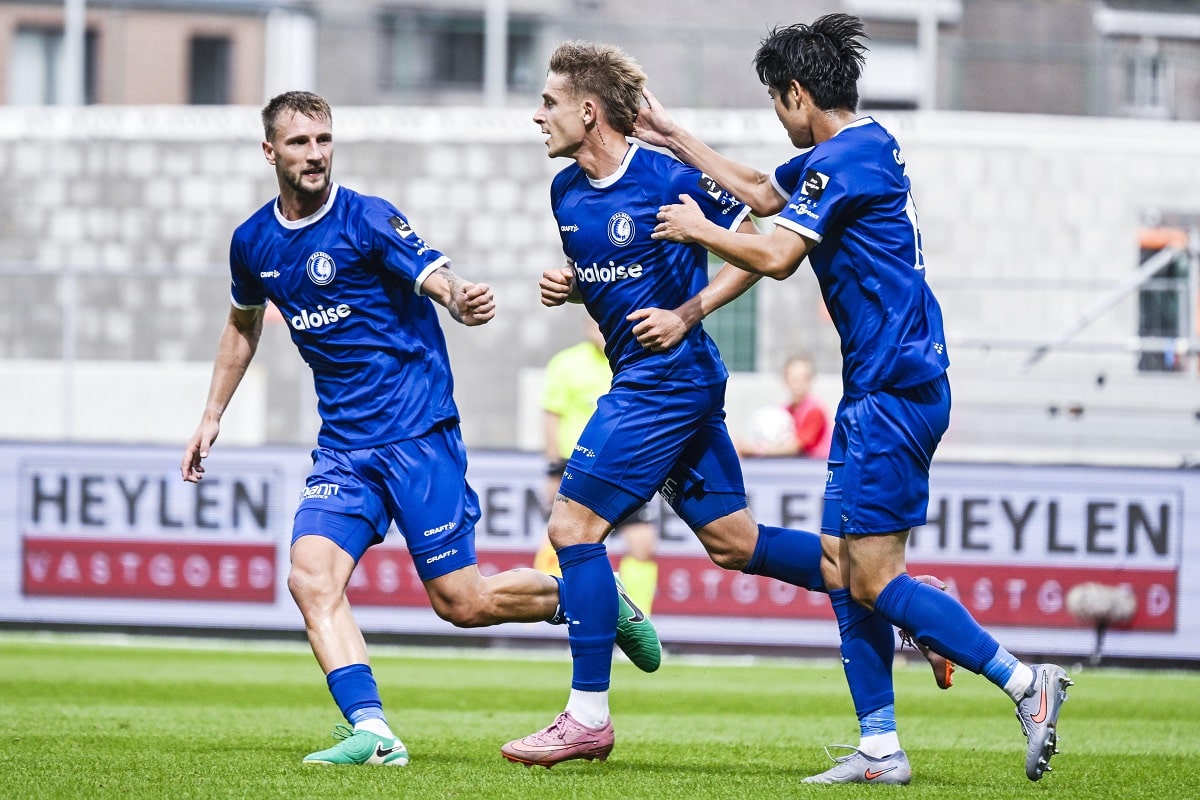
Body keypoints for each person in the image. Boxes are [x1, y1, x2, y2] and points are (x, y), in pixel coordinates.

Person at [635, 14, 1071, 784]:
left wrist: (700, 229)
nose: (778, 116)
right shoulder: (859, 147)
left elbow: (772, 254)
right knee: (843, 566)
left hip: (894, 392)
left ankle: (1023, 681)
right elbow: (764, 195)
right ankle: (879, 746)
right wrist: (673, 136)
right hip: (883, 387)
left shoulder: (842, 162)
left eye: (777, 101)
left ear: (799, 94)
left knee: (868, 578)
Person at [179, 90, 660, 768]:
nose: (314, 154)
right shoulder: (253, 242)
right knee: (310, 579)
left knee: (461, 603)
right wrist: (210, 414)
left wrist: (461, 296)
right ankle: (374, 733)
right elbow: (242, 324)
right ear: (270, 152)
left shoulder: (367, 219)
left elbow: (436, 274)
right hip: (344, 451)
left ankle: (596, 602)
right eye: (298, 143)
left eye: (323, 139)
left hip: (417, 438)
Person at [502, 39, 947, 770]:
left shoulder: (666, 177)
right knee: (733, 543)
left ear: (587, 111)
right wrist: (579, 288)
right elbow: (623, 273)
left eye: (548, 102)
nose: (537, 116)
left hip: (665, 380)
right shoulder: (565, 194)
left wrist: (688, 311)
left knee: (572, 524)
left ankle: (586, 717)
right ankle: (899, 598)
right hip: (663, 379)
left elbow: (755, 244)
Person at [534, 315, 660, 616]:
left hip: (623, 469)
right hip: (576, 468)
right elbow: (552, 416)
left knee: (643, 546)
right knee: (567, 546)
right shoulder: (565, 364)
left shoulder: (633, 361)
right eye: (594, 324)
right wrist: (553, 470)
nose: (600, 330)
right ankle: (554, 618)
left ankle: (637, 624)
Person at [738, 352, 831, 459]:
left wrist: (754, 450)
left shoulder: (815, 410)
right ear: (785, 380)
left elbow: (795, 447)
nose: (798, 384)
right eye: (794, 378)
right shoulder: (783, 411)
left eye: (804, 378)